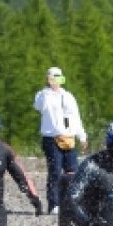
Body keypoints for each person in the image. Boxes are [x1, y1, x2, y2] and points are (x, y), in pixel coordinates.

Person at [34, 66, 87, 215]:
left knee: (73, 172)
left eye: (59, 78)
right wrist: (47, 89)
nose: (56, 81)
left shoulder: (69, 96)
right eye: (53, 78)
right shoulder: (43, 95)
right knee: (55, 171)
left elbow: (76, 117)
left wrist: (82, 136)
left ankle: (73, 202)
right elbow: (39, 107)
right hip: (51, 138)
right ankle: (54, 204)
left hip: (69, 138)